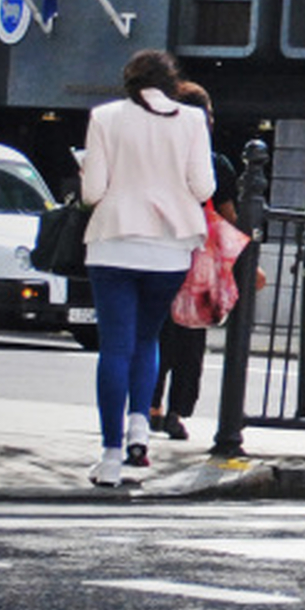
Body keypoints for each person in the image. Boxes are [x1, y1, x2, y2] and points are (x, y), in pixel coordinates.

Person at [80, 50, 216, 487]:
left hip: (115, 242)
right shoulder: (193, 121)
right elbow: (204, 187)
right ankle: (140, 429)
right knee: (147, 338)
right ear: (171, 82)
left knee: (115, 347)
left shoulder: (105, 117)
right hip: (169, 247)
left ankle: (110, 455)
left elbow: (92, 191)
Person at [149, 82, 236, 442]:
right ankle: (175, 412)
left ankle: (148, 406)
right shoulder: (215, 164)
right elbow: (228, 216)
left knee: (155, 332)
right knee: (189, 339)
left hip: (155, 253)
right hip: (197, 262)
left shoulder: (157, 156)